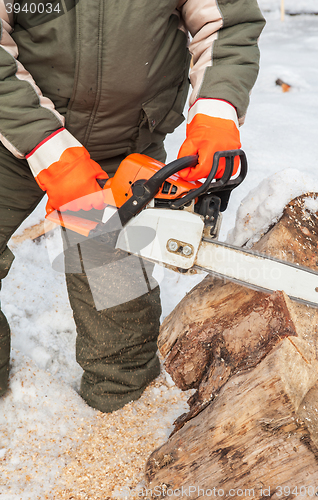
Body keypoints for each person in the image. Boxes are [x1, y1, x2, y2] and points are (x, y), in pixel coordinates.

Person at [0, 0, 265, 411]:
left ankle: (121, 409)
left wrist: (216, 109)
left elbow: (228, 21)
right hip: (10, 129)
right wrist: (44, 144)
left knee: (117, 300)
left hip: (122, 142)